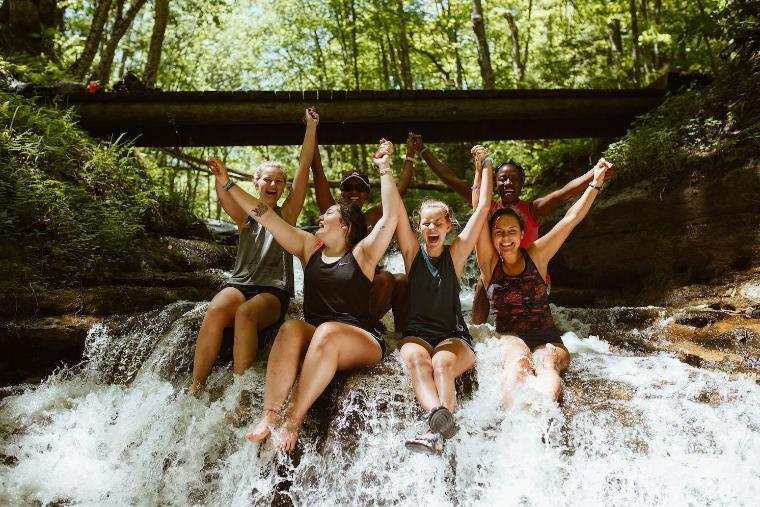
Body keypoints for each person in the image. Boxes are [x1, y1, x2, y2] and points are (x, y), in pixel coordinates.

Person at [208, 139, 401, 451]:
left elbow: (390, 217)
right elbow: (264, 215)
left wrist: (385, 168)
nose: (320, 218)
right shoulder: (308, 247)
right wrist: (227, 184)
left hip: (359, 339)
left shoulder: (363, 254)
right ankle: (269, 415)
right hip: (318, 335)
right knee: (291, 327)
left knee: (326, 331)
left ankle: (293, 419)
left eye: (328, 215)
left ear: (346, 227)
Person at [410, 133, 612, 324]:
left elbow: (564, 193)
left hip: (530, 273)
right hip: (496, 275)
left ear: (522, 183)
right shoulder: (487, 208)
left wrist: (595, 174)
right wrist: (423, 151)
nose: (508, 183)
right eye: (502, 179)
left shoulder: (534, 208)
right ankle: (478, 332)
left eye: (514, 179)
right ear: (495, 183)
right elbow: (451, 180)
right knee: (483, 279)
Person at [188, 108, 318, 396]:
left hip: (273, 290)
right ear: (256, 183)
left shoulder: (288, 213)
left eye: (278, 181)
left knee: (245, 314)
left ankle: (239, 388)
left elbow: (304, 165)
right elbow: (226, 195)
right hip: (240, 283)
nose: (273, 184)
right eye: (267, 180)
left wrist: (311, 127)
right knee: (216, 310)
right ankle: (196, 386)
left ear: (284, 187)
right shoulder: (244, 215)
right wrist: (221, 177)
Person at [475, 158, 611, 407]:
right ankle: (514, 420)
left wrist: (595, 184)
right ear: (491, 237)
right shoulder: (489, 264)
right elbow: (479, 211)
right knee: (518, 362)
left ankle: (543, 418)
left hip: (548, 337)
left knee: (546, 363)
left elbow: (571, 218)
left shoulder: (537, 255)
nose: (506, 238)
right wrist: (482, 169)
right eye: (499, 232)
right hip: (510, 336)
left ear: (522, 234)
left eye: (512, 231)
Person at [395, 146, 493, 454]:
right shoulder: (412, 253)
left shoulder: (456, 254)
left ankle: (433, 431)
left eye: (438, 222)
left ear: (449, 227)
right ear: (419, 227)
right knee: (416, 359)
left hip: (453, 338)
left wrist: (486, 166)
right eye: (426, 223)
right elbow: (394, 208)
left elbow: (483, 209)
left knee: (440, 363)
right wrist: (387, 166)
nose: (432, 227)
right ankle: (440, 423)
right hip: (417, 334)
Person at [310, 134, 417, 328]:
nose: (353, 192)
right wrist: (312, 135)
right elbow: (318, 175)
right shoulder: (333, 214)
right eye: (348, 187)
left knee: (400, 280)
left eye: (359, 187)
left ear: (367, 193)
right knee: (385, 278)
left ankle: (402, 334)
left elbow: (398, 191)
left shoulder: (373, 216)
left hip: (367, 283)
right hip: (340, 284)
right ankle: (364, 325)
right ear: (341, 192)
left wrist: (410, 155)